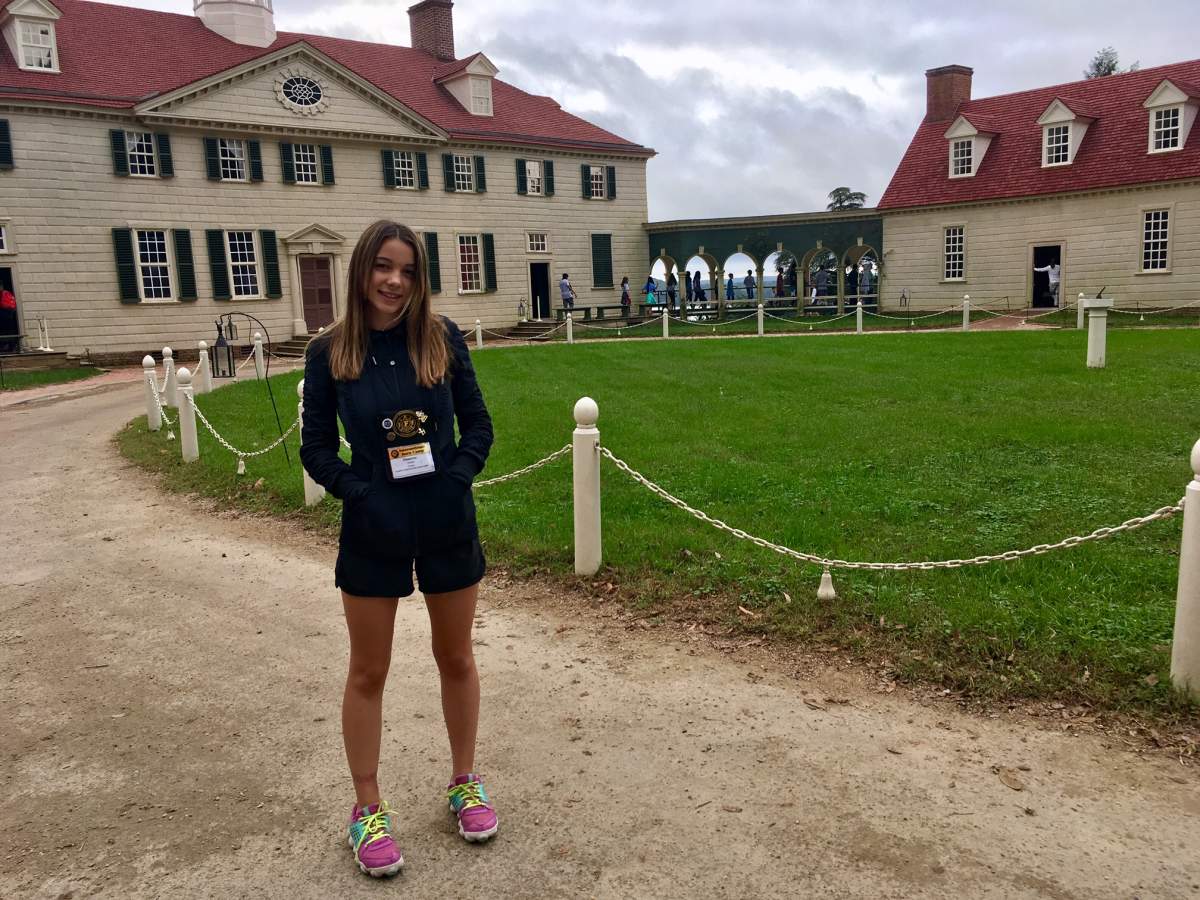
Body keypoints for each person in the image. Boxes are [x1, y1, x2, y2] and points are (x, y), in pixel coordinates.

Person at [300, 220, 497, 879]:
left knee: (456, 656)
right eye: (383, 267)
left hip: (445, 518)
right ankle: (367, 808)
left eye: (408, 271)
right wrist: (358, 493)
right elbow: (317, 449)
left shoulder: (441, 339)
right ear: (362, 270)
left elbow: (479, 424)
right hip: (374, 524)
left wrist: (458, 478)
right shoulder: (331, 351)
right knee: (368, 671)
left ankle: (464, 781)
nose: (394, 281)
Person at [0, 288, 17, 353]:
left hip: (4, 312)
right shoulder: (7, 293)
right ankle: (11, 346)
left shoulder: (3, 293)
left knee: (5, 330)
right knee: (9, 329)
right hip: (10, 313)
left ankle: (7, 346)